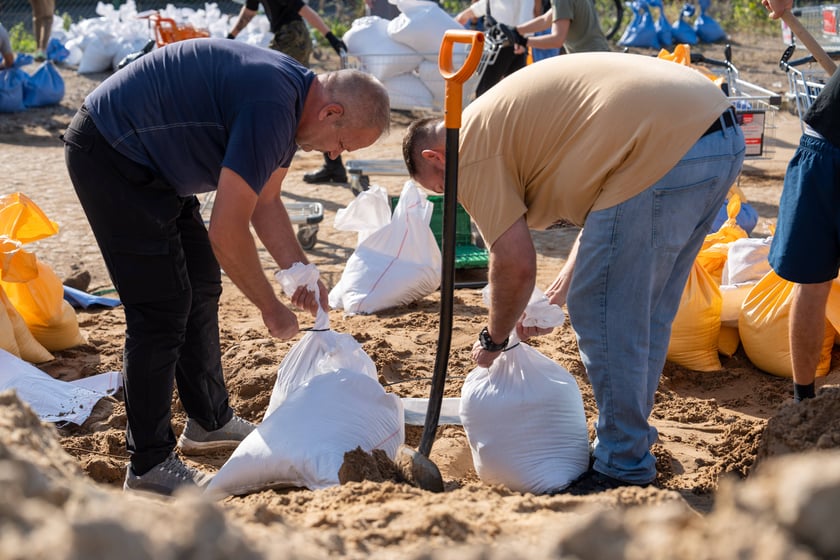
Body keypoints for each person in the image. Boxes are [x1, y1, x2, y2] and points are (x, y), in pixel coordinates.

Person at [402, 52, 744, 494]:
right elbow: (604, 213)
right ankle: (627, 445)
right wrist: (559, 290)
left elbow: (515, 263)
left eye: (441, 187)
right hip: (716, 133)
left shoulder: (467, 151)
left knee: (605, 308)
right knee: (646, 308)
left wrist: (496, 339)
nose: (455, 196)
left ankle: (622, 464)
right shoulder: (502, 124)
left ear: (436, 157)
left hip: (665, 146)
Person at [61, 38, 390, 496]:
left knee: (200, 284)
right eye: (341, 144)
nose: (335, 155)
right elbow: (226, 232)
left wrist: (300, 272)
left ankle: (209, 422)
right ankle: (149, 465)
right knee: (160, 309)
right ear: (330, 113)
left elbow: (267, 202)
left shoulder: (295, 102)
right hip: (112, 150)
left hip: (156, 165)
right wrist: (270, 308)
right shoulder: (273, 106)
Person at [764, 0, 840, 403]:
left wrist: (787, 12)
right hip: (825, 147)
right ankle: (803, 402)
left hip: (822, 144)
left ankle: (803, 400)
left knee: (813, 284)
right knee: (812, 282)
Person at [226, 0, 351, 185]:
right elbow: (250, 11)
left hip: (292, 36)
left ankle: (262, 166)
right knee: (304, 99)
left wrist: (331, 37)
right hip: (290, 36)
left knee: (264, 87)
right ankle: (333, 165)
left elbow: (304, 10)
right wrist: (230, 37)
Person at [454, 0, 534, 97]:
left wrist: (466, 14)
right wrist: (467, 14)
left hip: (502, 45)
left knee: (486, 94)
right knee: (514, 94)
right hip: (511, 44)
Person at [496, 0, 609, 55]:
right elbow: (546, 19)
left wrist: (523, 41)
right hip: (598, 54)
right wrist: (516, 30)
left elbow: (557, 40)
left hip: (590, 59)